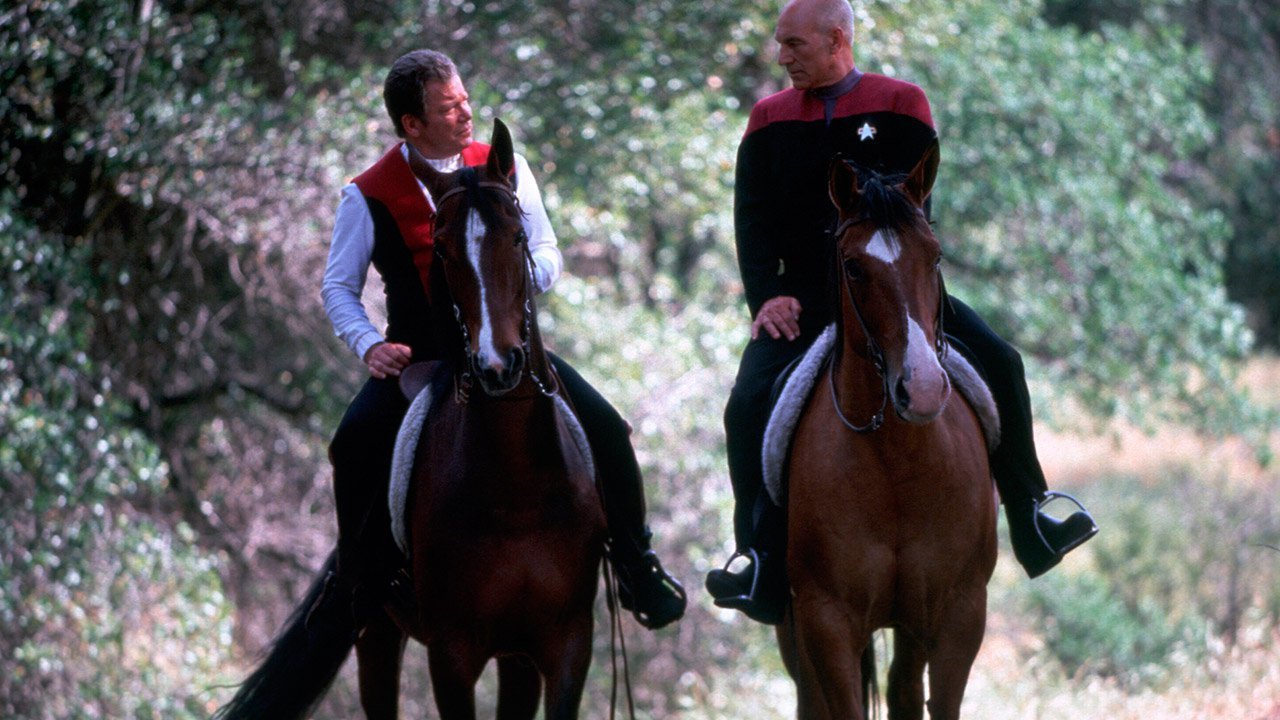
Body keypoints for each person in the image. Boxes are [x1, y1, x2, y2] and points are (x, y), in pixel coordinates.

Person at [705, 0, 1098, 624]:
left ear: (838, 39)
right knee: (747, 403)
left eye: (793, 45)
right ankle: (756, 557)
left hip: (894, 290)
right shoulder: (766, 120)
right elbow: (749, 220)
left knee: (1001, 359)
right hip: (803, 302)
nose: (781, 57)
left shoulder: (901, 103)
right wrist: (766, 296)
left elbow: (913, 211)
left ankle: (1033, 510)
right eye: (780, 45)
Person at [321, 49, 686, 630]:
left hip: (513, 344)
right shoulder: (367, 193)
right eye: (449, 107)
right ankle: (359, 585)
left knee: (609, 427)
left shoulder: (504, 166)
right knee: (354, 441)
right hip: (424, 357)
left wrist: (515, 282)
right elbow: (338, 287)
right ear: (411, 124)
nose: (466, 113)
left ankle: (637, 566)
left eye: (465, 100)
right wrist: (369, 344)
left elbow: (547, 250)